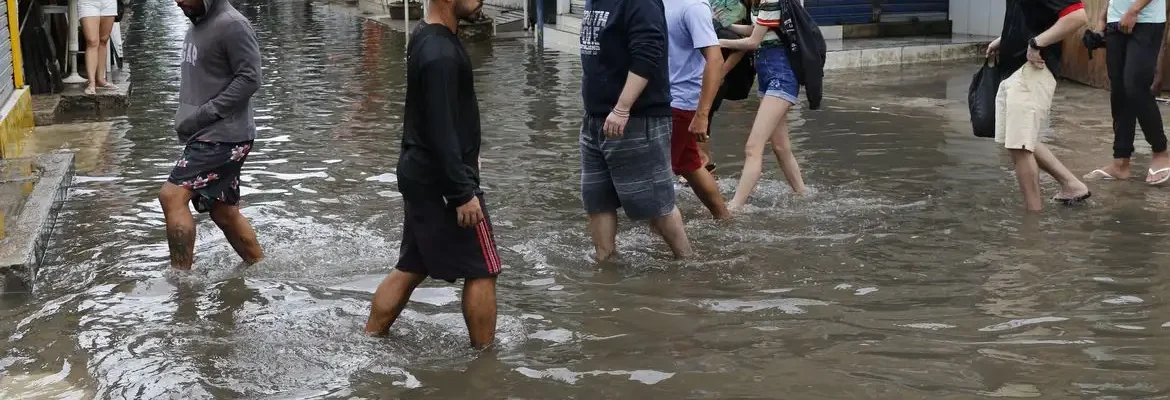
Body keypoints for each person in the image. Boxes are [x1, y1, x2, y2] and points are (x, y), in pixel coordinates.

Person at [364, 0, 500, 350]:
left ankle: (370, 340)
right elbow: (440, 129)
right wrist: (462, 192)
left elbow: (440, 117)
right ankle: (487, 361)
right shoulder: (440, 52)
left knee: (412, 264)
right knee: (483, 268)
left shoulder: (426, 35)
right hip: (443, 181)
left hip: (422, 173)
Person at [579, 0, 693, 260]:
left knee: (656, 204)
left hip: (637, 117)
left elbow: (648, 52)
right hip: (595, 118)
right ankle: (605, 263)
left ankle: (688, 263)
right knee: (597, 200)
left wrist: (622, 108)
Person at [160, 0, 264, 270]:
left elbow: (250, 78)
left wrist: (206, 113)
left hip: (223, 135)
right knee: (224, 212)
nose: (178, 0)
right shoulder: (200, 21)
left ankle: (180, 282)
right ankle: (261, 268)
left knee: (172, 196)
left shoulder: (233, 24)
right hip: (208, 132)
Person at [987, 0, 1092, 211]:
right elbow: (1031, 17)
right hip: (1015, 69)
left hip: (1032, 69)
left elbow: (1077, 16)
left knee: (1020, 146)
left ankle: (1032, 219)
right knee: (1018, 140)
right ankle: (1072, 185)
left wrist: (1037, 43)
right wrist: (1005, 40)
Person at [719, 0, 807, 211]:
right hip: (768, 77)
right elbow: (756, 29)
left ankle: (735, 206)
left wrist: (718, 41)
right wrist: (727, 26)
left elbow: (753, 42)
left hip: (781, 77)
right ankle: (803, 194)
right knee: (780, 146)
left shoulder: (771, 1)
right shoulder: (762, 4)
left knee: (753, 147)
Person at [1084, 0, 1169, 185]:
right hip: (1116, 21)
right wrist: (1102, 20)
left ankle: (1160, 152)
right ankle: (1120, 162)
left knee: (1136, 87)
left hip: (1146, 21)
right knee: (1119, 91)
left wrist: (1134, 10)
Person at [665, 0, 731, 219]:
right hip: (660, 97)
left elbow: (715, 59)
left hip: (680, 100)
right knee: (688, 165)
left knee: (657, 169)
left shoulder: (693, 7)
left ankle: (662, 230)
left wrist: (702, 115)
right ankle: (724, 219)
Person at [78, 0, 119, 95]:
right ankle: (91, 82)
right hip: (88, 3)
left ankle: (101, 79)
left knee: (103, 40)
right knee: (92, 41)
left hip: (109, 2)